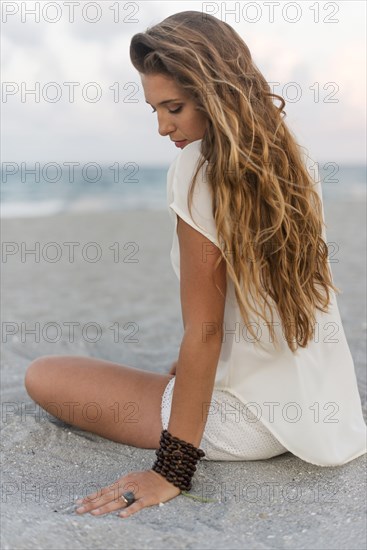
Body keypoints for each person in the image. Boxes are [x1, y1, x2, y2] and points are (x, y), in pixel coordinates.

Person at [24, 11, 366, 519]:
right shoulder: (294, 156)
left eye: (175, 108)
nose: (163, 127)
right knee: (172, 366)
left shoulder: (196, 168)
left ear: (218, 94)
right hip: (323, 413)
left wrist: (170, 472)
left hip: (247, 423)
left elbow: (204, 331)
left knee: (44, 374)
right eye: (155, 110)